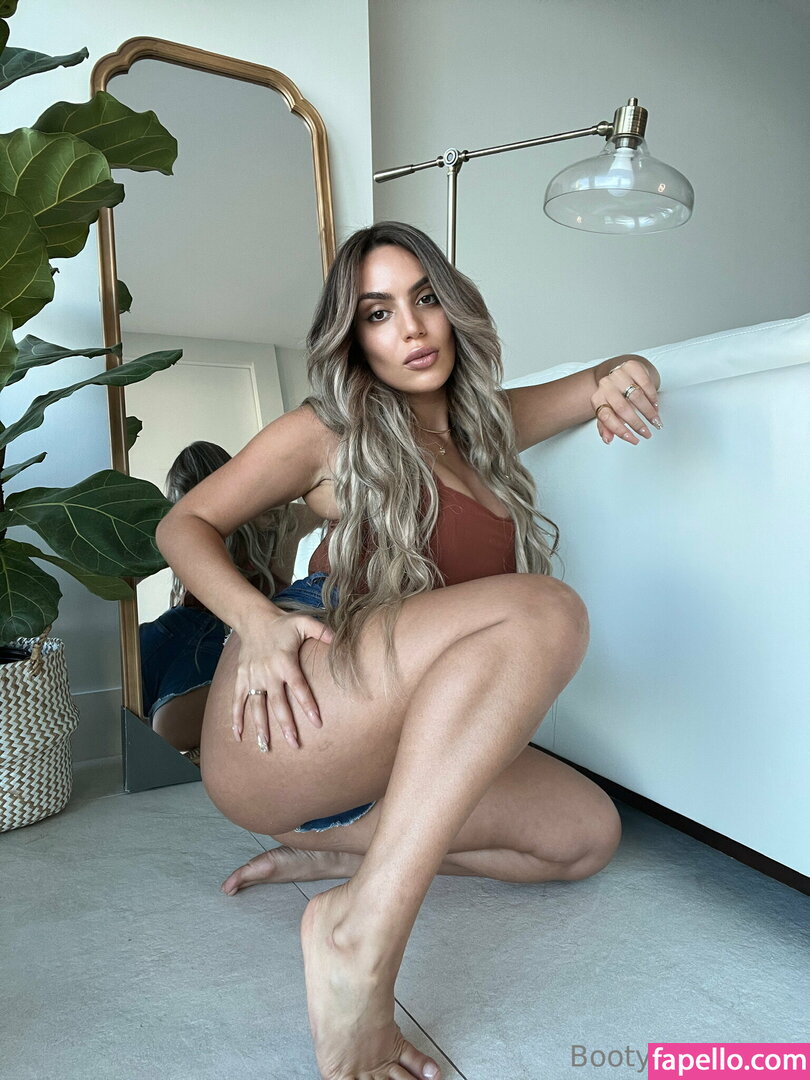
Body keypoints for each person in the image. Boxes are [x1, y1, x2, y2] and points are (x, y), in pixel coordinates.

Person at [155, 221, 662, 1080]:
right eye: (379, 312)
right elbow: (184, 523)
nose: (413, 328)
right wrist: (256, 620)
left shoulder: (487, 427)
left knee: (586, 836)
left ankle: (343, 855)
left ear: (454, 307)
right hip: (297, 713)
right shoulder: (329, 430)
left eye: (426, 298)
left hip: (374, 764)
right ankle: (359, 935)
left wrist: (630, 373)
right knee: (547, 611)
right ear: (353, 337)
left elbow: (599, 379)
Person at [139, 440, 323, 753]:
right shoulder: (278, 521)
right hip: (203, 629)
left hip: (202, 630)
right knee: (160, 718)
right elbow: (331, 510)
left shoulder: (274, 520)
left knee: (151, 715)